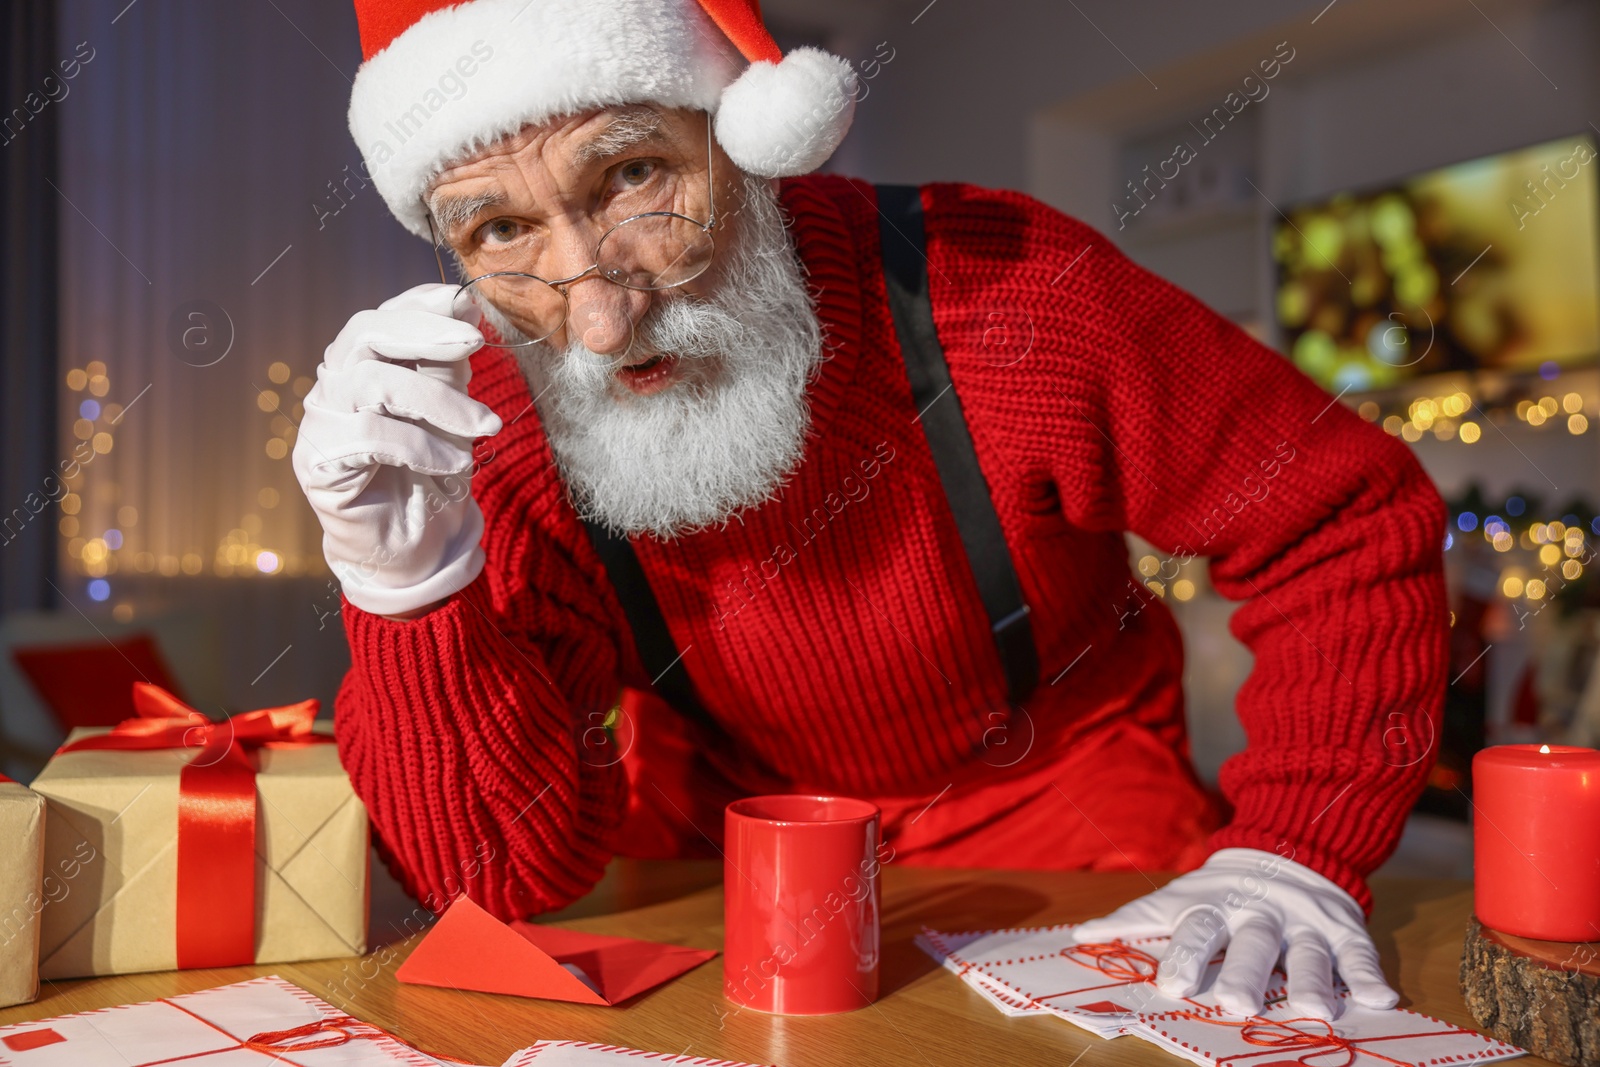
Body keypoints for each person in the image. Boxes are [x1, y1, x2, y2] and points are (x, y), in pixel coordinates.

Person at [293, 0, 1449, 1021]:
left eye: (633, 176)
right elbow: (493, 881)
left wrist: (1298, 846)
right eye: (500, 229)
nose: (599, 316)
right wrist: (408, 588)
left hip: (1070, 820)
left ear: (744, 137)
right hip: (724, 848)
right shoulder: (494, 428)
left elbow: (1342, 518)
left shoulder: (1009, 292)